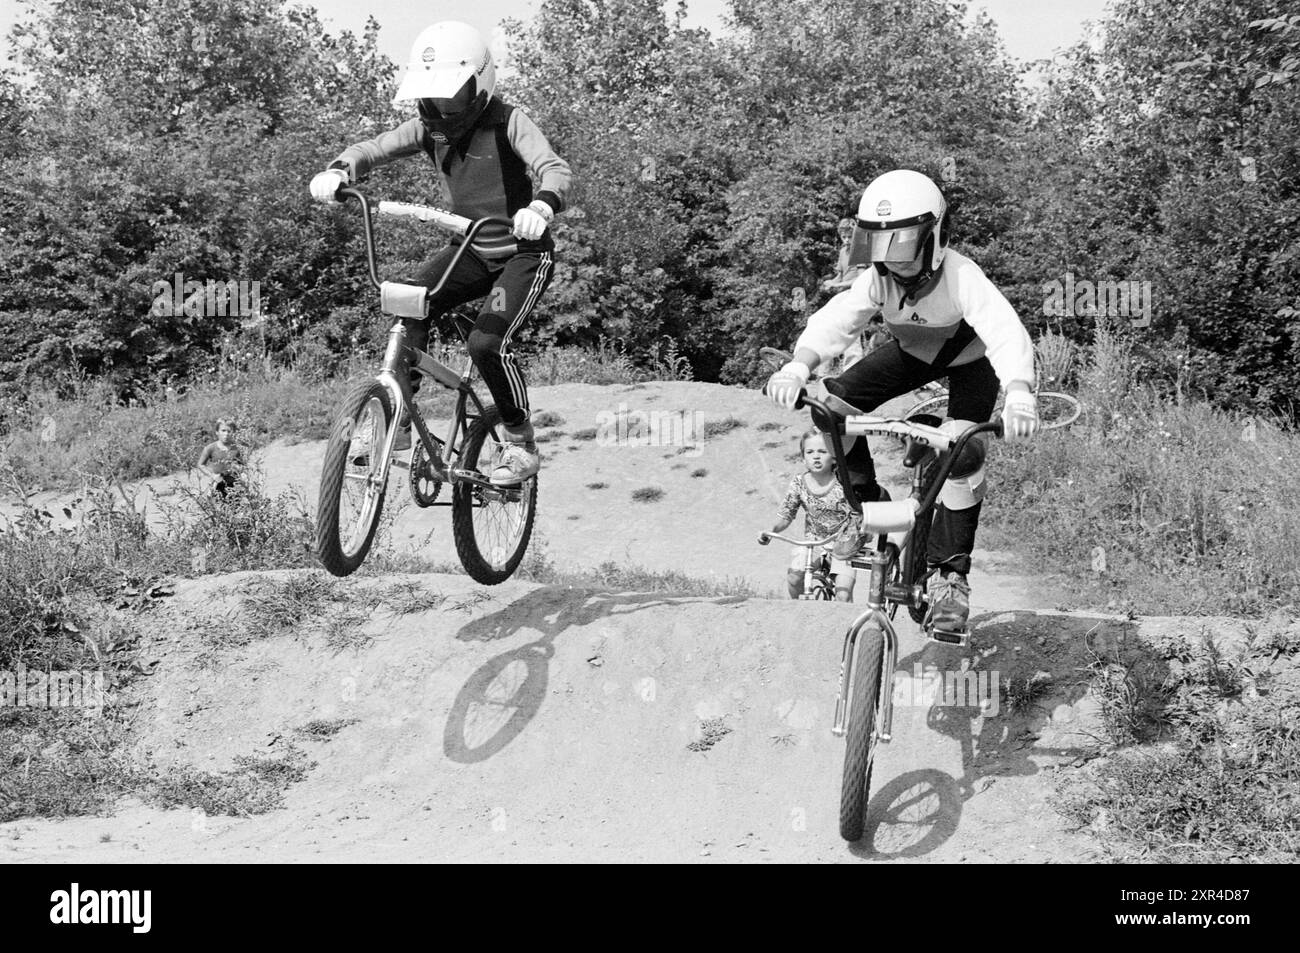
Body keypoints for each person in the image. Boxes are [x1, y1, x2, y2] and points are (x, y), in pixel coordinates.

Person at [765, 169, 1039, 636]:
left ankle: (950, 577)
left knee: (963, 449)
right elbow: (838, 319)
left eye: (905, 245)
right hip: (912, 353)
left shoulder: (960, 275)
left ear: (934, 236)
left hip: (971, 363)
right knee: (830, 406)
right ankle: (868, 505)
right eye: (881, 247)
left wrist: (1017, 391)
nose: (894, 262)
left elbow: (1004, 329)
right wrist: (799, 366)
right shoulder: (879, 277)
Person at [309, 20, 572, 486]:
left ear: (478, 84)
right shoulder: (426, 129)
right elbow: (372, 149)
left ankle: (520, 441)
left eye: (451, 94)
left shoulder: (509, 121)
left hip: (523, 253)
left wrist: (541, 205)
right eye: (433, 96)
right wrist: (339, 170)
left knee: (486, 343)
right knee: (406, 299)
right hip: (469, 248)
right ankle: (398, 423)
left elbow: (553, 167)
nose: (442, 105)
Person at [761, 430, 857, 602]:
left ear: (834, 457)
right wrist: (771, 530)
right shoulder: (799, 483)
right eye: (810, 452)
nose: (816, 457)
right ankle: (801, 614)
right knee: (794, 577)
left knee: (843, 592)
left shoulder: (845, 482)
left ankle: (846, 623)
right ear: (803, 457)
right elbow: (786, 515)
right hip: (814, 543)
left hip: (843, 544)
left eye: (822, 451)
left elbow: (857, 513)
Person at [197, 418, 244, 499]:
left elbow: (243, 465)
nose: (226, 434)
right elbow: (200, 464)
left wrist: (238, 468)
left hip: (234, 485)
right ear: (217, 432)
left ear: (233, 433)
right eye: (223, 430)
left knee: (237, 507)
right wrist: (212, 475)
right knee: (216, 506)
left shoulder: (236, 448)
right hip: (217, 485)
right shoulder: (210, 448)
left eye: (229, 431)